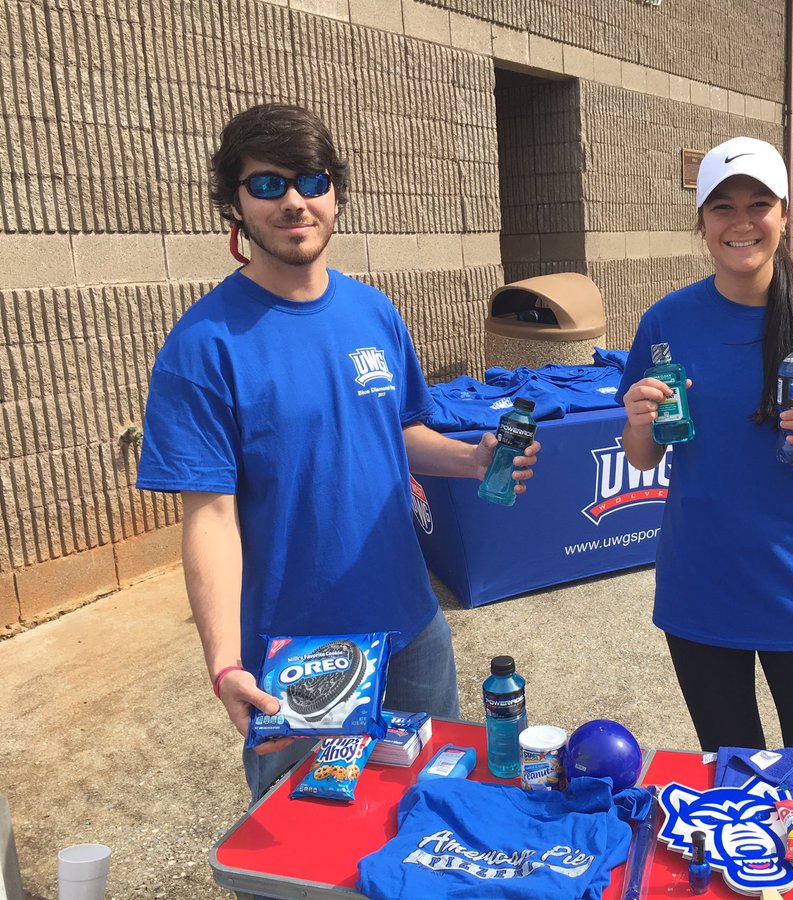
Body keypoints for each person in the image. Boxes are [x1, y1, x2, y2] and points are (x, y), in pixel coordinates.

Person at [136, 103, 541, 801]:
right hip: (299, 660)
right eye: (267, 184)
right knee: (306, 849)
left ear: (335, 196)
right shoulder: (202, 348)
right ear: (233, 202)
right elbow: (210, 515)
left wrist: (472, 460)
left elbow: (399, 435)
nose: (294, 201)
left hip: (414, 630)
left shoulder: (373, 312)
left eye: (311, 180)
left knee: (427, 816)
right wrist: (225, 662)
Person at [618, 136, 793, 754]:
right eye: (722, 207)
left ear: (785, 216)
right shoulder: (667, 322)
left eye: (758, 204)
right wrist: (638, 422)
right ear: (702, 224)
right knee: (732, 783)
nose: (741, 222)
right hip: (701, 589)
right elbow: (643, 457)